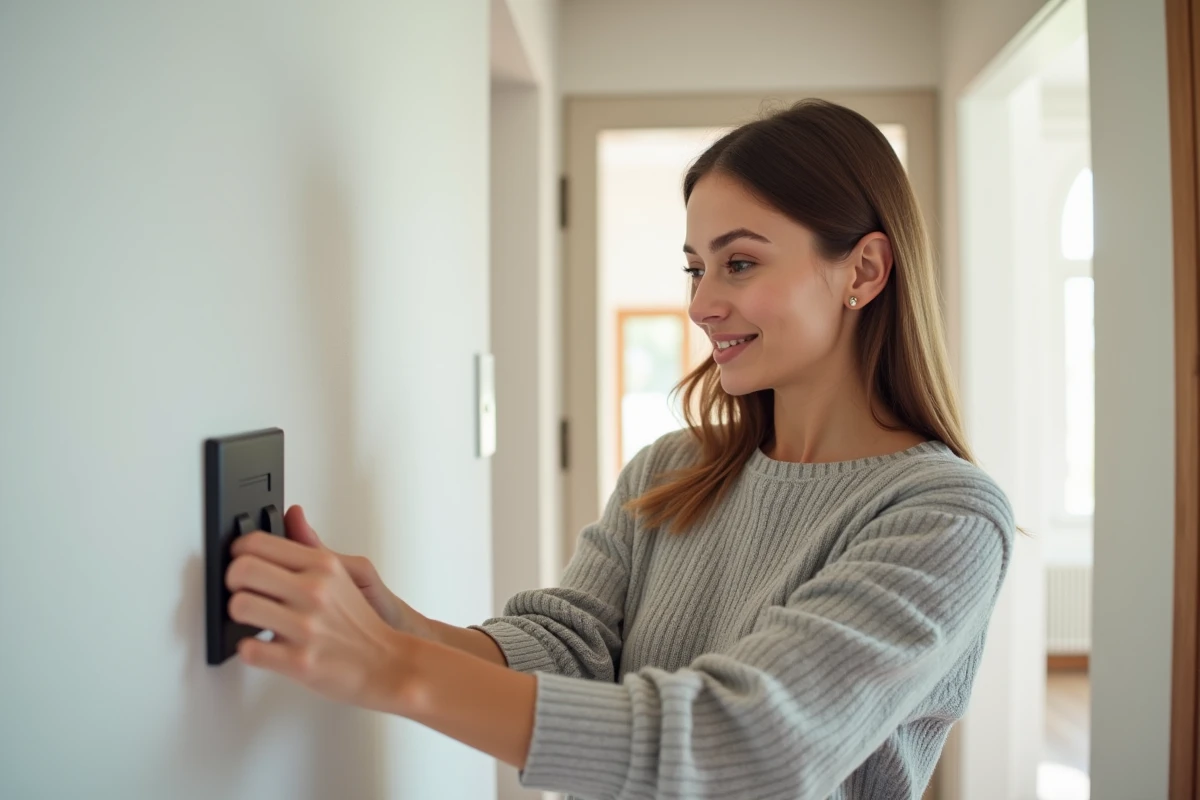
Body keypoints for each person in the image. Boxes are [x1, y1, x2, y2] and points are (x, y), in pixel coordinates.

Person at [224, 99, 1014, 799]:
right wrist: (405, 628)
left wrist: (390, 669)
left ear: (864, 270)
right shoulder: (673, 470)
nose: (702, 304)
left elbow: (749, 744)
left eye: (739, 263)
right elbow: (575, 647)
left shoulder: (945, 516)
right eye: (695, 267)